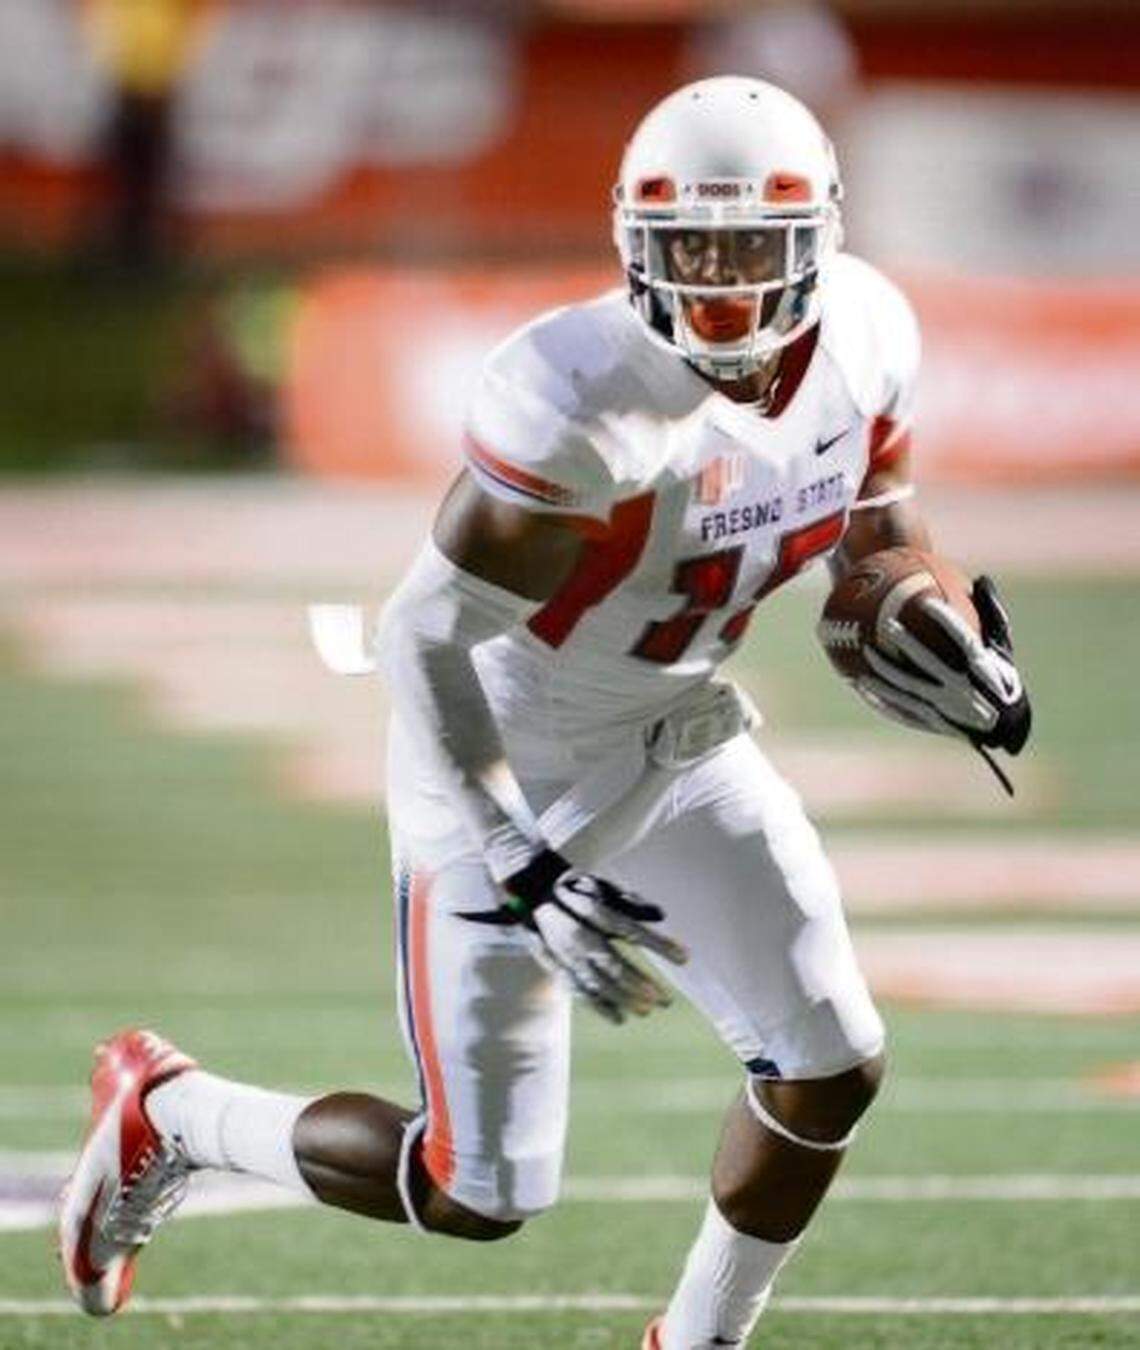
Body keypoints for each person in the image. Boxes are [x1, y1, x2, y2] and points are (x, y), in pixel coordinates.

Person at [59, 77, 1030, 1346]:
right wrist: (517, 851)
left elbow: (876, 526)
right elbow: (420, 635)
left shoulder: (867, 342)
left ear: (820, 246)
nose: (722, 284)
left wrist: (926, 612)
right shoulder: (581, 398)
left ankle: (698, 1342)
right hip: (501, 757)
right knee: (474, 1190)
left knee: (831, 1060)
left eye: (752, 249)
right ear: (635, 242)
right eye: (691, 250)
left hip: (678, 736)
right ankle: (171, 1114)